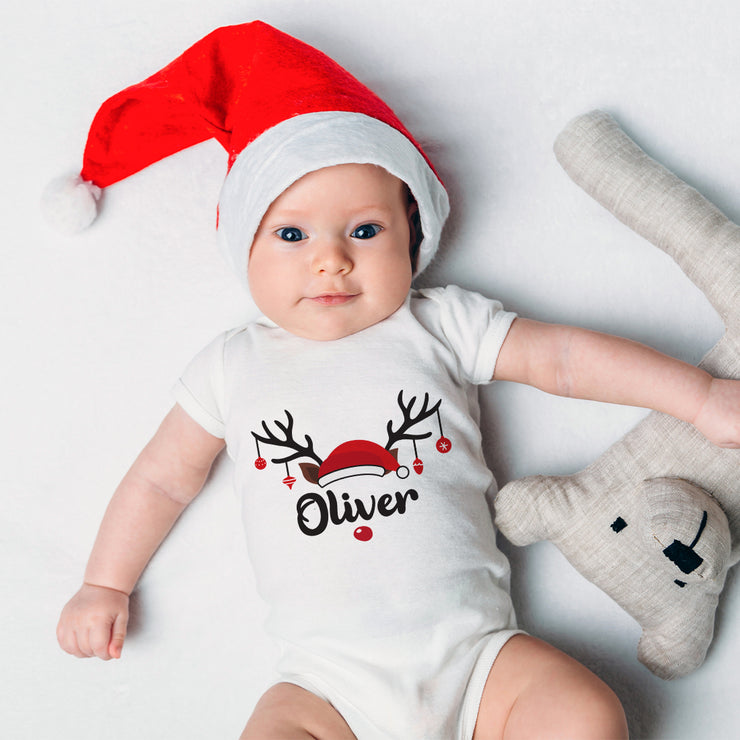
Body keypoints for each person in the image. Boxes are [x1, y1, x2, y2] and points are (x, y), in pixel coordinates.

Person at [54, 22, 739, 740]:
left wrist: (698, 396)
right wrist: (105, 582)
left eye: (364, 231)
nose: (331, 261)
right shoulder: (232, 365)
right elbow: (162, 479)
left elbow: (561, 359)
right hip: (325, 685)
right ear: (243, 245)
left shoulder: (439, 325)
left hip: (480, 662)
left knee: (588, 715)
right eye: (292, 235)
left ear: (411, 233)